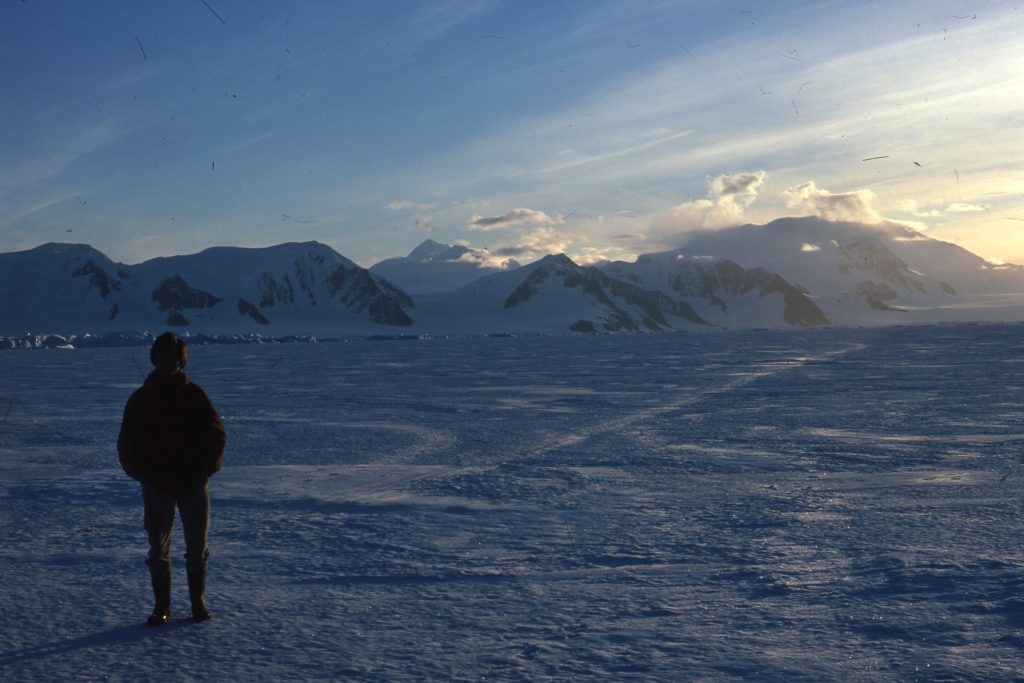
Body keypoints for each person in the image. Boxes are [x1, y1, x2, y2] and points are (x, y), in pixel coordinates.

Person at [117, 332, 226, 626]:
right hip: (156, 485)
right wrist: (142, 474)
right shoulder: (141, 400)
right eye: (163, 357)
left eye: (174, 357)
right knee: (158, 548)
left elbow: (217, 433)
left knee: (196, 547)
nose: (168, 362)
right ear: (155, 359)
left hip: (193, 483)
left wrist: (207, 468)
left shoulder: (195, 396)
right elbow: (126, 443)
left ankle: (197, 604)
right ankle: (161, 607)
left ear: (181, 360)